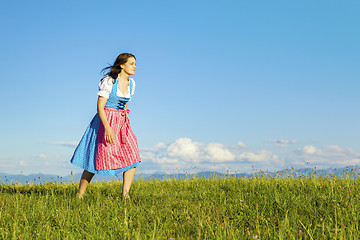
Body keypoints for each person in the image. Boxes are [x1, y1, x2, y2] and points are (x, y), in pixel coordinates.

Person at [70, 53, 141, 199]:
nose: (135, 66)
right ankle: (80, 194)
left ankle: (125, 195)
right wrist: (107, 127)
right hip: (105, 121)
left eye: (135, 63)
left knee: (133, 157)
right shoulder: (109, 81)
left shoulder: (132, 84)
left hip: (122, 123)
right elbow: (100, 107)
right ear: (122, 65)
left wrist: (123, 120)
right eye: (131, 63)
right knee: (95, 159)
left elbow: (125, 105)